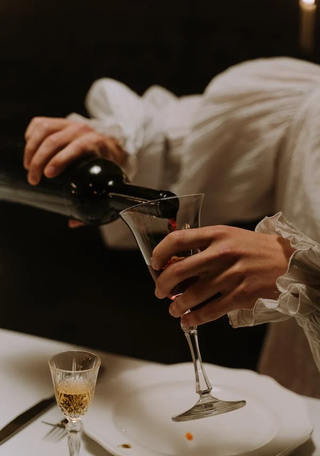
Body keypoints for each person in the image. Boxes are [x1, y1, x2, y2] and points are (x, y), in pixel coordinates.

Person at [23, 56, 320, 369]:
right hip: (297, 397)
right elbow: (182, 144)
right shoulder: (306, 100)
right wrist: (116, 145)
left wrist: (305, 273)